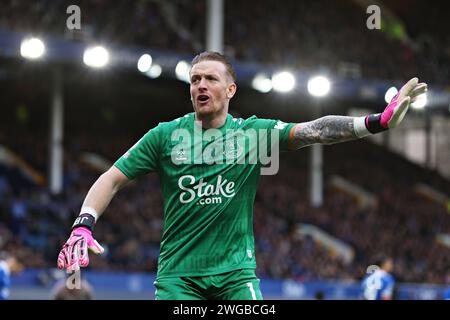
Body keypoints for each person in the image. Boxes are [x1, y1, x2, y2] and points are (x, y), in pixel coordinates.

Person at [57, 51, 427, 300]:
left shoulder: (253, 135)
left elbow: (315, 130)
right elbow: (111, 178)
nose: (200, 85)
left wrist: (374, 123)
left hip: (236, 276)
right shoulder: (165, 136)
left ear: (230, 89)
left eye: (211, 79)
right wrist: (83, 223)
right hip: (177, 278)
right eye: (195, 79)